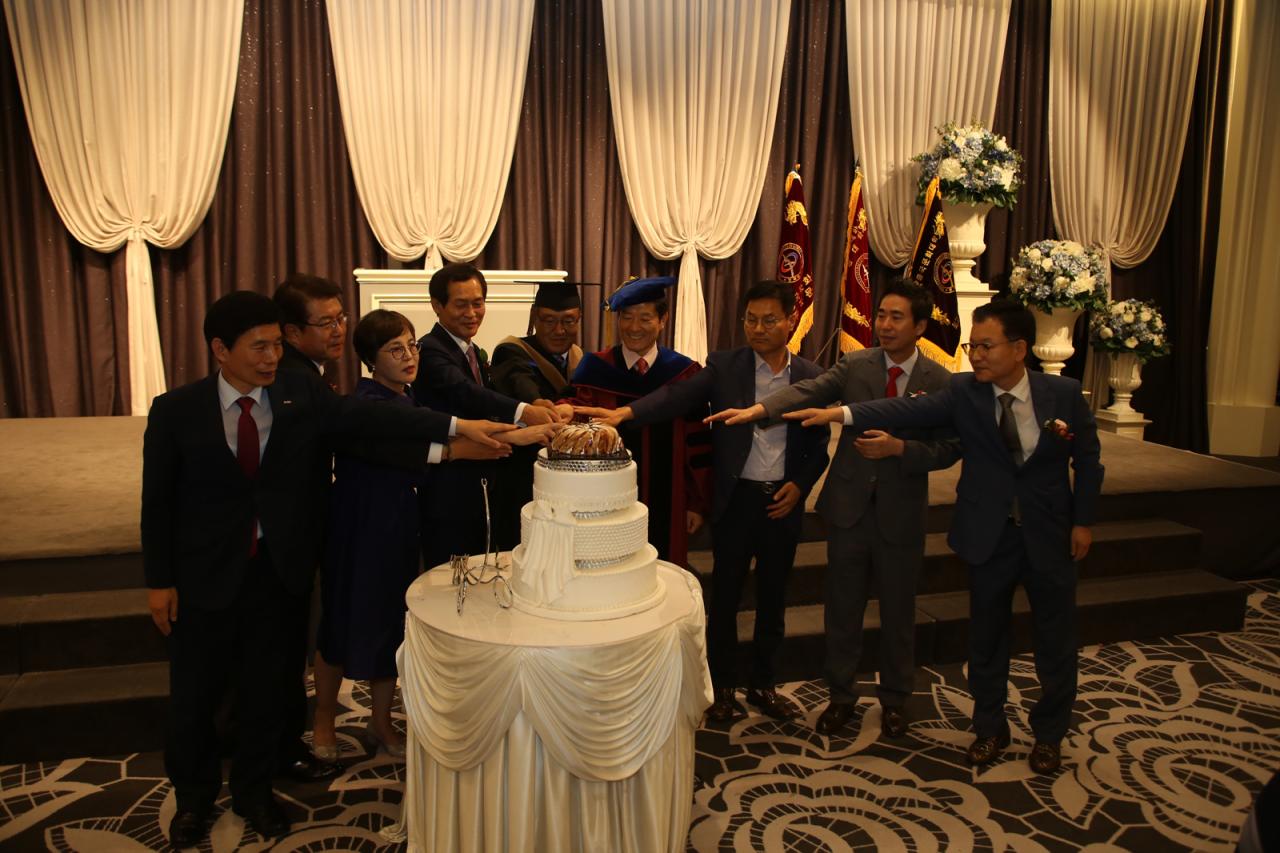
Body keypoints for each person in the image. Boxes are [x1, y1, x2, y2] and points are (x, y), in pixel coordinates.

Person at [142, 292, 514, 848]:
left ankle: (254, 792)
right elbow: (158, 502)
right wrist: (159, 581)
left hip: (278, 573)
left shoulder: (298, 393)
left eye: (276, 345)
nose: (272, 357)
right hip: (203, 578)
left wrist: (459, 426)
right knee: (195, 697)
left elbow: (373, 416)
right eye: (259, 347)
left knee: (268, 690)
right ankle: (193, 802)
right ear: (220, 349)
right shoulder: (176, 410)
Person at [710, 298, 1104, 774]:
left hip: (1049, 534)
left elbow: (1088, 460)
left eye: (986, 346)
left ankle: (1049, 734)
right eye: (972, 346)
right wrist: (829, 415)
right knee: (985, 639)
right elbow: (895, 407)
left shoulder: (1062, 394)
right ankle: (989, 728)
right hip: (985, 535)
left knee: (1055, 641)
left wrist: (1082, 521)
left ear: (1019, 349)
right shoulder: (964, 391)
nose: (976, 355)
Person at [717, 281, 960, 736]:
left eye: (896, 317)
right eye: (881, 314)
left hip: (901, 513)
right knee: (842, 610)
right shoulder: (855, 364)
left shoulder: (940, 381)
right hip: (849, 509)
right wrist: (760, 410)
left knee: (898, 613)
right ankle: (841, 696)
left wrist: (902, 449)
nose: (884, 325)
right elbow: (808, 390)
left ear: (920, 326)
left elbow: (950, 448)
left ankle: (895, 699)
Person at [310, 310, 552, 762]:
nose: (409, 356)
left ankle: (380, 721)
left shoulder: (408, 396)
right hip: (359, 526)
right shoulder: (366, 403)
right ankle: (323, 719)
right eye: (394, 349)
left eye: (412, 346)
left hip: (401, 522)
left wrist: (522, 434)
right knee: (341, 622)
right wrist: (486, 440)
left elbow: (450, 438)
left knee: (391, 623)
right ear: (370, 360)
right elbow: (428, 439)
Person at [595, 281, 830, 722]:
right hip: (736, 502)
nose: (758, 328)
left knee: (774, 598)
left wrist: (800, 486)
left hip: (783, 502)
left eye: (769, 320)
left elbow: (819, 444)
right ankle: (722, 688)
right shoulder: (725, 366)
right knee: (724, 600)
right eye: (750, 320)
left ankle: (763, 684)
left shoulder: (811, 376)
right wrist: (627, 413)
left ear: (791, 321)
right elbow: (677, 396)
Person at [412, 263, 563, 568]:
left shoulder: (472, 351)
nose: (471, 313)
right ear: (437, 306)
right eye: (461, 304)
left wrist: (535, 415)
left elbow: (486, 407)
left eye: (478, 303)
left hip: (477, 488)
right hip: (448, 491)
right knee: (449, 576)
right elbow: (467, 394)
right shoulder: (430, 351)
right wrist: (525, 411)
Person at [569, 275, 711, 567]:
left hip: (669, 501)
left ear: (663, 320)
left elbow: (698, 443)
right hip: (604, 500)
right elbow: (577, 425)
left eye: (645, 318)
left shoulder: (684, 373)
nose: (634, 327)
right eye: (627, 317)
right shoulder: (595, 370)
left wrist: (695, 503)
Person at [274, 274, 348, 383]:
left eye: (340, 319)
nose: (339, 331)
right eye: (326, 323)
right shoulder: (294, 380)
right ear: (293, 333)